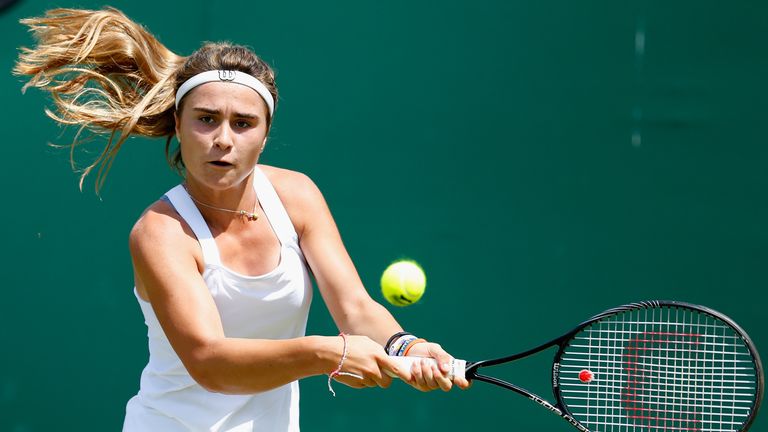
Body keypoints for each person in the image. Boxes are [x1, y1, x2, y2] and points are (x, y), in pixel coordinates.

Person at [15, 7, 469, 432]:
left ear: (265, 135)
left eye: (243, 123)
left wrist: (405, 347)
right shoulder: (160, 234)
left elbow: (353, 307)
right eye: (206, 119)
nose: (222, 140)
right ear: (178, 124)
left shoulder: (297, 195)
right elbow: (210, 361)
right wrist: (328, 351)